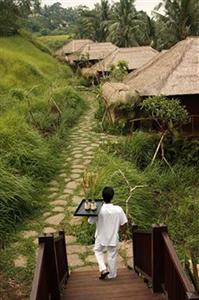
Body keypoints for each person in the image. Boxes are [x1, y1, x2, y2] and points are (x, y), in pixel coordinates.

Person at [88, 186, 128, 280]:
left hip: (101, 236)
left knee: (98, 251)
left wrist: (89, 210)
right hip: (113, 236)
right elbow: (124, 223)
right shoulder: (118, 209)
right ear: (112, 197)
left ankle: (103, 269)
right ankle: (112, 275)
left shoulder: (99, 209)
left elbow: (90, 221)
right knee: (112, 255)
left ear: (102, 197)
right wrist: (124, 233)